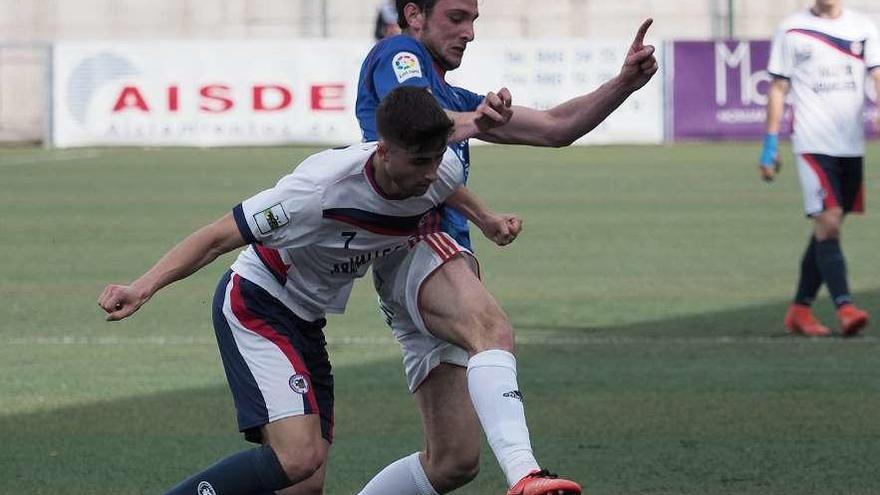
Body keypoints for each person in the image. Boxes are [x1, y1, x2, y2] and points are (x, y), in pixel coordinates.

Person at [97, 87, 509, 495]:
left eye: (436, 160)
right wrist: (142, 288)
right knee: (297, 457)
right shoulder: (314, 192)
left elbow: (446, 183)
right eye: (420, 162)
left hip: (307, 323)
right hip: (258, 303)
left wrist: (486, 218)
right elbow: (217, 236)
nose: (430, 173)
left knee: (302, 484)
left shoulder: (437, 171)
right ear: (383, 152)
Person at [353, 2, 659, 495]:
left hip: (428, 259)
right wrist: (476, 124)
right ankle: (526, 475)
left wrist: (623, 82)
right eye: (455, 17)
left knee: (453, 461)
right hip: (418, 240)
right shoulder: (399, 51)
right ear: (414, 15)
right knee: (490, 328)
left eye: (474, 20)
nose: (469, 32)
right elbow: (416, 121)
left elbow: (556, 127)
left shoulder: (452, 95)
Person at [760, 0, 879, 337]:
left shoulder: (864, 27)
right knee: (828, 223)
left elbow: (878, 76)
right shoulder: (791, 28)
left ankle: (799, 310)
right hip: (812, 143)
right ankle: (845, 307)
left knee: (827, 229)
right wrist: (770, 145)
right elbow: (779, 87)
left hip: (851, 144)